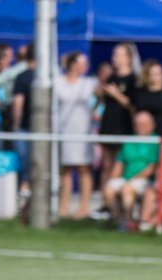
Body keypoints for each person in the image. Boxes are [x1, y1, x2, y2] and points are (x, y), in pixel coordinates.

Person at [55, 52, 97, 220]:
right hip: (64, 130)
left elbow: (91, 101)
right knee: (65, 169)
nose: (85, 66)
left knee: (83, 168)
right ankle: (63, 207)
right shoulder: (58, 81)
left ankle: (83, 207)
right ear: (72, 65)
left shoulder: (89, 83)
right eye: (81, 63)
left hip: (82, 131)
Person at [101, 110, 159, 231]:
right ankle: (118, 219)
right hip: (127, 178)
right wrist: (113, 179)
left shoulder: (155, 141)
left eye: (144, 124)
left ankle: (127, 223)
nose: (141, 127)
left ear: (152, 125)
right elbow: (119, 163)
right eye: (139, 124)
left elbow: (152, 168)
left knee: (127, 189)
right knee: (109, 189)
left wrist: (130, 181)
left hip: (145, 180)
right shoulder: (129, 141)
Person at [98, 43, 138, 193]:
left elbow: (134, 105)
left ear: (128, 58)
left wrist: (116, 94)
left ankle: (118, 198)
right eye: (114, 54)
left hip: (123, 127)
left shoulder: (134, 79)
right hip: (107, 125)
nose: (115, 58)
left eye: (119, 55)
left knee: (120, 165)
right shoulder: (111, 78)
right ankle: (105, 200)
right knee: (106, 165)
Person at [11, 44, 36, 202]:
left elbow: (17, 103)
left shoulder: (22, 77)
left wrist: (16, 124)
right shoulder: (49, 77)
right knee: (28, 160)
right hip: (31, 128)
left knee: (24, 160)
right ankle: (25, 189)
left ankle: (24, 189)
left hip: (25, 127)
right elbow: (17, 103)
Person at [135, 59, 162, 137]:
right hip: (144, 133)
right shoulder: (140, 91)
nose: (157, 76)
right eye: (154, 74)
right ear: (147, 75)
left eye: (159, 73)